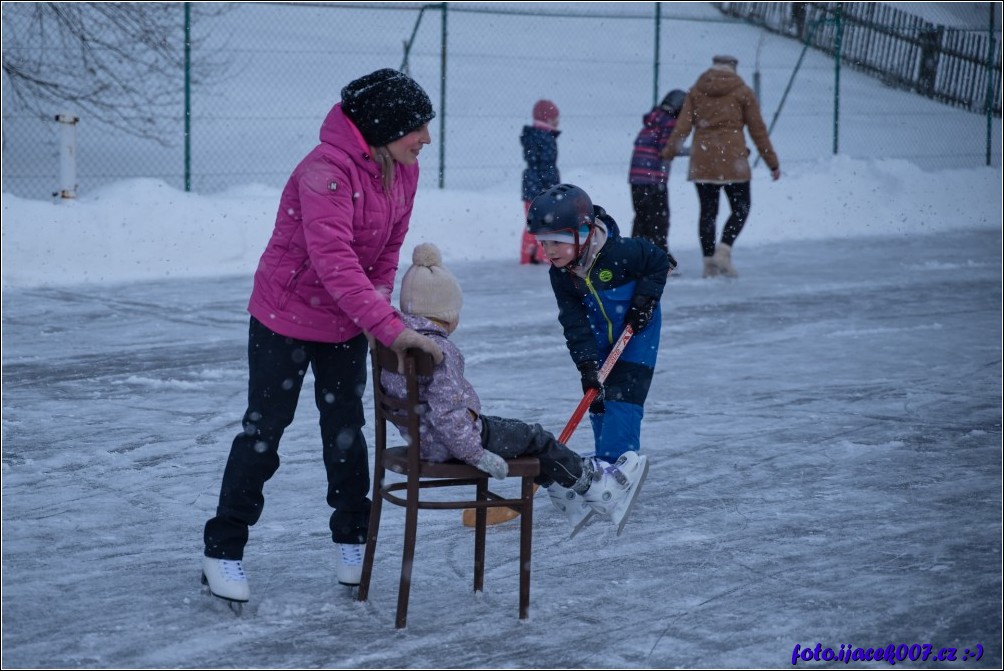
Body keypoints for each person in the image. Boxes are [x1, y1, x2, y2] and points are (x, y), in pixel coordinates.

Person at [201, 68, 445, 609]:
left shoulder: (403, 170)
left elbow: (385, 251)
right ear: (385, 126)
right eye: (418, 128)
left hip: (343, 322)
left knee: (346, 431)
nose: (427, 138)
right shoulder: (325, 172)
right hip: (283, 318)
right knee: (264, 432)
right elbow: (334, 264)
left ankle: (352, 541)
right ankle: (222, 548)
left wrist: (379, 305)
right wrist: (390, 327)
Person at [383, 242, 649, 534]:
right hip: (456, 441)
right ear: (447, 314)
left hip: (425, 439)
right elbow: (448, 415)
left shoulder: (397, 344)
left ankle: (564, 491)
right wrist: (476, 454)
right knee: (537, 438)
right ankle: (595, 486)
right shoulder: (438, 351)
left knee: (519, 435)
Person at [526, 184, 673, 497]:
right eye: (544, 242)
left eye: (558, 242)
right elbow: (573, 320)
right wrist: (586, 362)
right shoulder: (561, 273)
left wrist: (645, 301)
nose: (549, 251)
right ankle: (604, 467)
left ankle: (616, 468)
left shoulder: (620, 252)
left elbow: (659, 260)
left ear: (584, 232)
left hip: (636, 331)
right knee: (597, 395)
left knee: (623, 394)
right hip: (597, 335)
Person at [660, 55, 781, 278]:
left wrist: (667, 152)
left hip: (703, 161)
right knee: (741, 207)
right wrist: (772, 162)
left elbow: (682, 127)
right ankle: (723, 251)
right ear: (734, 68)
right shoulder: (742, 91)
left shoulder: (697, 90)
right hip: (733, 159)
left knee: (708, 212)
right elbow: (758, 130)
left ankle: (709, 264)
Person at [628, 89, 689, 257]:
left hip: (636, 179)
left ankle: (633, 257)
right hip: (653, 180)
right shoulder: (669, 123)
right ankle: (661, 260)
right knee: (659, 222)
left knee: (641, 220)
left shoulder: (651, 121)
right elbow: (666, 150)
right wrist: (694, 151)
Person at [519, 99, 561, 265]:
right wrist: (552, 190)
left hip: (531, 187)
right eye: (556, 118)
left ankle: (528, 256)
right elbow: (546, 166)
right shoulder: (546, 139)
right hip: (541, 190)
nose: (558, 122)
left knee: (532, 223)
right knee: (544, 224)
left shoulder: (534, 137)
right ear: (548, 119)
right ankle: (542, 256)